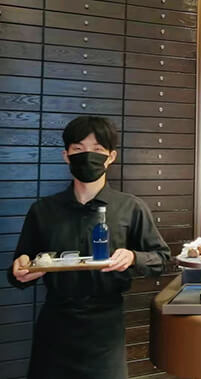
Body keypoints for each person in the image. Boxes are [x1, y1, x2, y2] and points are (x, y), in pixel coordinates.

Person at [9, 116, 171, 379]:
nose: (87, 156)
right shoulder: (43, 210)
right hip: (55, 327)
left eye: (97, 149)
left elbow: (162, 259)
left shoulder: (131, 207)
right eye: (78, 149)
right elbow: (19, 267)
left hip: (106, 329)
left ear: (111, 157)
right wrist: (20, 270)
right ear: (66, 156)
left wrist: (133, 257)